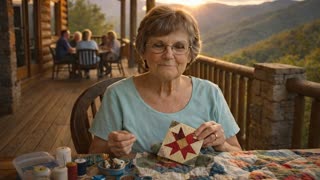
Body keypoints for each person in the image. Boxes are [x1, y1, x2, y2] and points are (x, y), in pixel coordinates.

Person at [88, 5, 241, 157]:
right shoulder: (117, 95)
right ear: (143, 50)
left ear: (190, 54)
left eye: (179, 46)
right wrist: (112, 147)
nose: (168, 55)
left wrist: (222, 145)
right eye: (158, 45)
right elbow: (94, 155)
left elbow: (239, 154)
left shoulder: (210, 93)